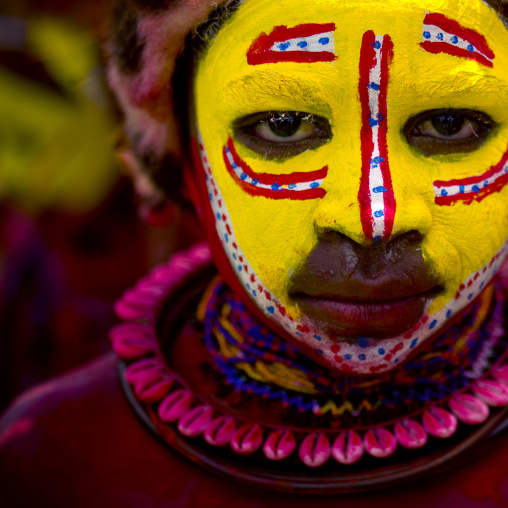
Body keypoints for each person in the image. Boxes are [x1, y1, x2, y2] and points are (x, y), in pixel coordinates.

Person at [2, 0, 508, 506]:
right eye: (283, 126)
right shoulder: (54, 460)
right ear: (177, 166)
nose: (372, 216)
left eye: (450, 124)